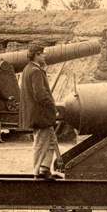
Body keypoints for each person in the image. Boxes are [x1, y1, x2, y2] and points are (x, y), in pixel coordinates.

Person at [19, 41, 61, 179]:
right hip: (41, 115)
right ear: (36, 55)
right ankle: (37, 172)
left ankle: (44, 169)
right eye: (42, 54)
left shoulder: (27, 69)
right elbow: (40, 94)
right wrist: (52, 106)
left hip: (36, 114)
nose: (44, 56)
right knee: (41, 142)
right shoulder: (36, 71)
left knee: (51, 141)